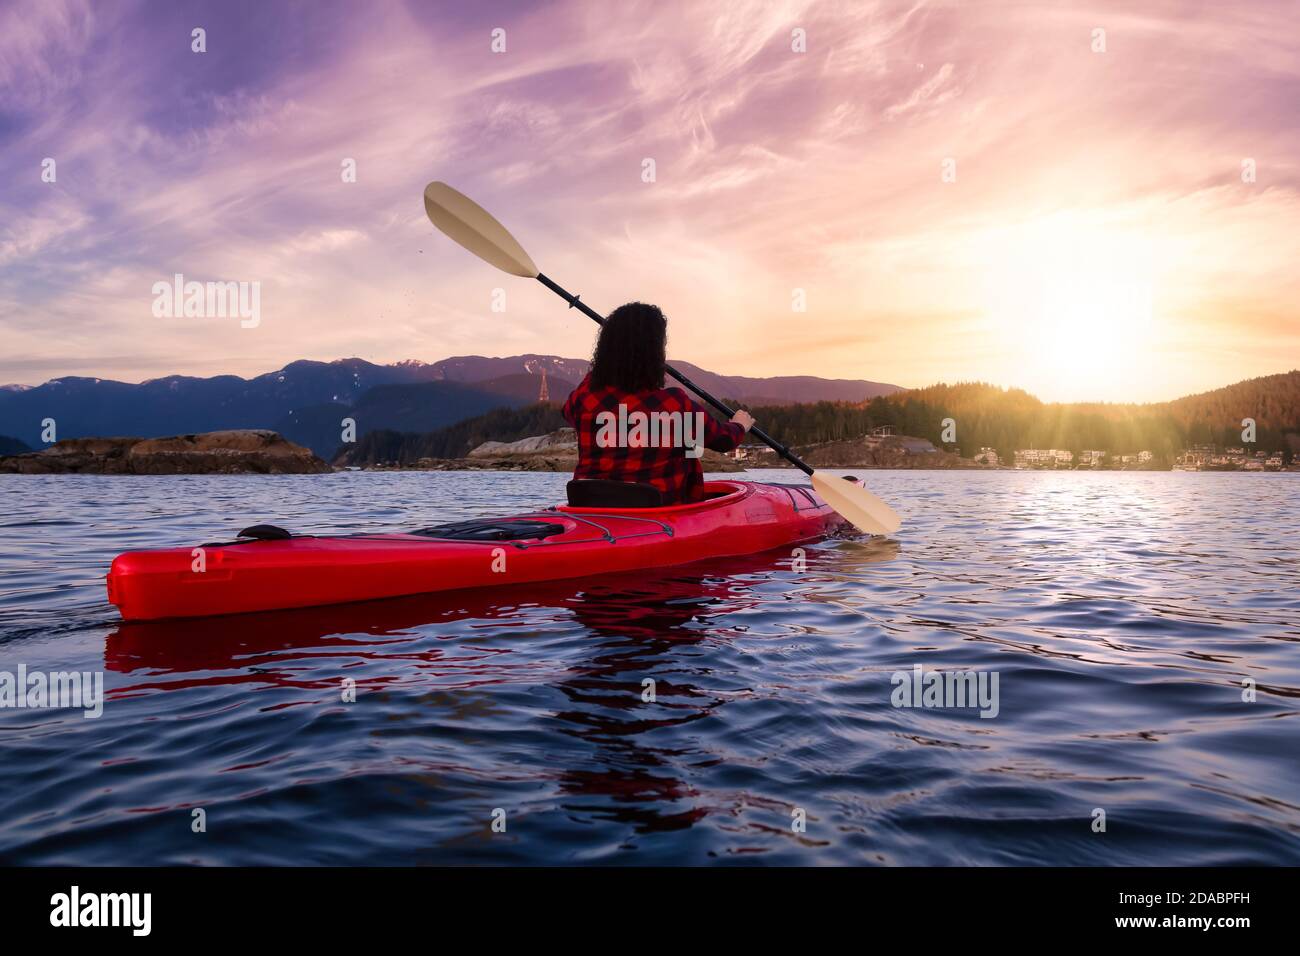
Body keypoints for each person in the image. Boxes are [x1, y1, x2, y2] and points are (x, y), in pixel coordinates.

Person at [562, 302, 755, 504]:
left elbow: (567, 411)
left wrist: (602, 370)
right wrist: (739, 424)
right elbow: (724, 440)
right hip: (658, 517)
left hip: (591, 512)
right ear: (655, 354)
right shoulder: (675, 405)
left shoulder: (584, 398)